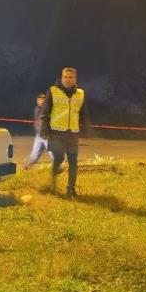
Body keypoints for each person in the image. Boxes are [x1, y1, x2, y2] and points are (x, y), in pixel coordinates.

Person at [40, 67, 91, 197]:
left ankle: (71, 189)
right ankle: (52, 184)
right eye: (66, 77)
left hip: (73, 133)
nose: (68, 80)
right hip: (56, 132)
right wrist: (44, 130)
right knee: (59, 158)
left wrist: (87, 129)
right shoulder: (53, 91)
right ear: (62, 78)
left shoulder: (80, 93)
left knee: (73, 160)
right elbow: (45, 113)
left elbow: (83, 114)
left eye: (71, 77)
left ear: (75, 79)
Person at [24, 93, 52, 169]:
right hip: (39, 135)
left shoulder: (48, 109)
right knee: (35, 152)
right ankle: (28, 166)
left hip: (47, 135)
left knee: (52, 152)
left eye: (43, 100)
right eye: (39, 100)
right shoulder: (37, 109)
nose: (41, 101)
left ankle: (59, 166)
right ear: (37, 100)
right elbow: (38, 121)